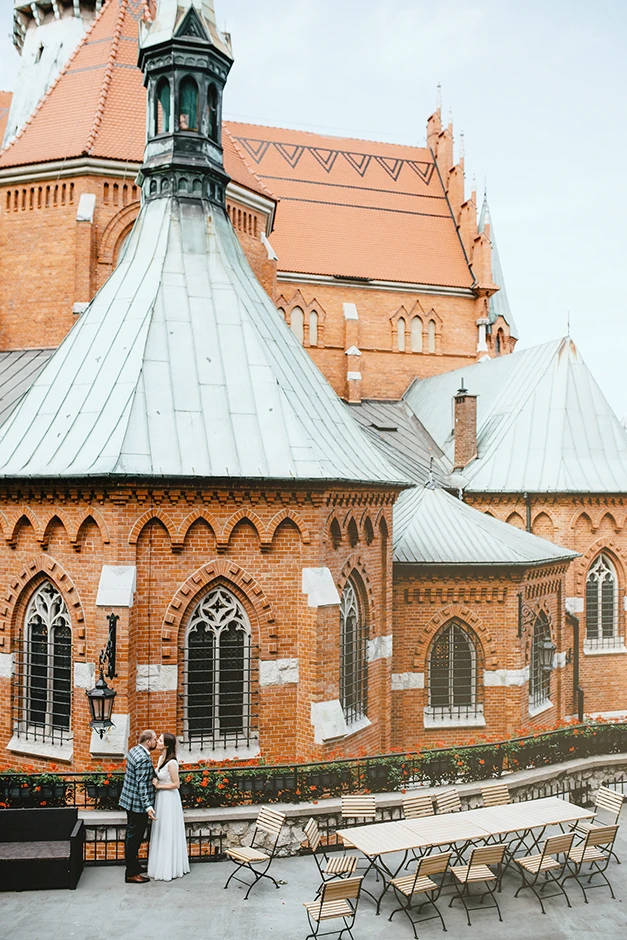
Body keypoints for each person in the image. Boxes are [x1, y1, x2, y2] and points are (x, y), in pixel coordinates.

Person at [147, 732, 190, 882]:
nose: (157, 742)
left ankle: (170, 867)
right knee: (161, 830)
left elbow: (176, 784)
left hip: (169, 799)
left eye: (159, 740)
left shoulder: (172, 763)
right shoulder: (160, 758)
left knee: (168, 830)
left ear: (166, 745)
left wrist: (159, 786)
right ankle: (160, 864)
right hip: (161, 798)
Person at [119, 728, 157, 884]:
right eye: (155, 739)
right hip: (137, 805)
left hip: (129, 801)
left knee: (131, 836)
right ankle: (131, 873)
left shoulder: (134, 750)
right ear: (148, 742)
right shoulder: (143, 758)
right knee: (134, 839)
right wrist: (148, 806)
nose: (156, 741)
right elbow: (142, 784)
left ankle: (134, 865)